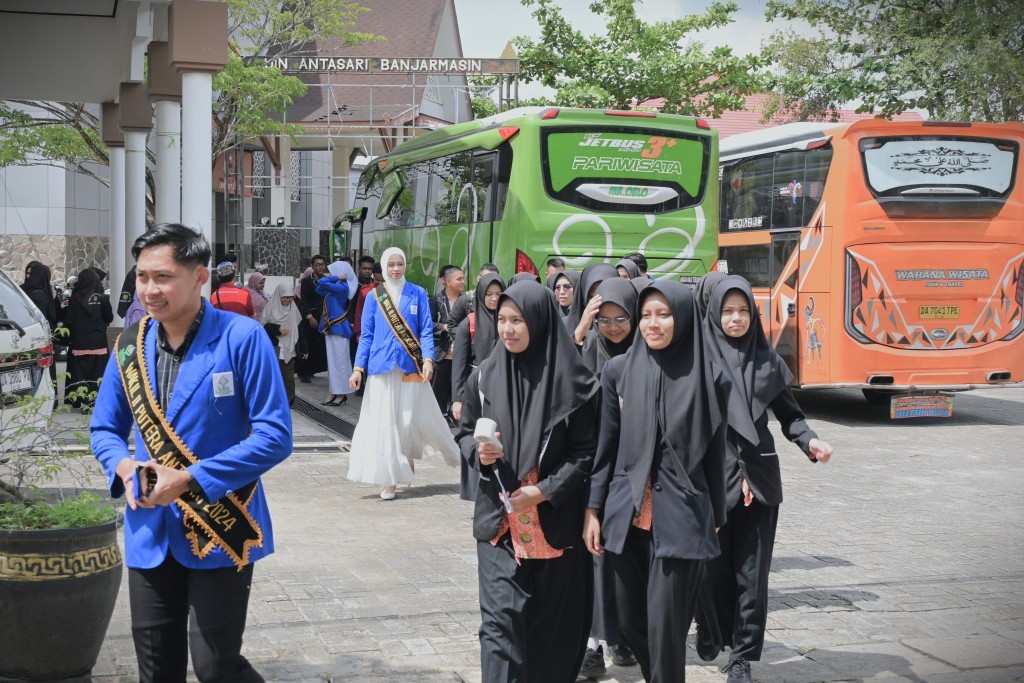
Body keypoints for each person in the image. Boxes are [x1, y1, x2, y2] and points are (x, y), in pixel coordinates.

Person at [90, 223, 291, 682]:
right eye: (142, 277)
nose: (149, 290)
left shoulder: (242, 339)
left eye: (163, 277)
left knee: (217, 666)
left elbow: (274, 435)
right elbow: (104, 428)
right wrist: (122, 466)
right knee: (157, 670)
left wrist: (192, 479)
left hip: (220, 525)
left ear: (200, 277)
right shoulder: (128, 346)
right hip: (150, 529)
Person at [454, 281, 600, 683]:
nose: (508, 329)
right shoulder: (484, 377)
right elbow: (464, 432)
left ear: (539, 320)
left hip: (554, 529)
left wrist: (543, 491)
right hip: (500, 527)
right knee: (500, 630)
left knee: (551, 638)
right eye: (501, 320)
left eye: (518, 320)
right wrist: (478, 454)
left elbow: (587, 452)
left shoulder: (576, 383)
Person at [585, 281, 728, 683]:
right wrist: (593, 509)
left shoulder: (710, 378)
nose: (653, 323)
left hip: (680, 518)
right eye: (646, 315)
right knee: (631, 623)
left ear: (681, 319)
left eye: (663, 314)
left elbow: (715, 455)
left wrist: (715, 515)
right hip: (626, 517)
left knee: (665, 629)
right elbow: (605, 447)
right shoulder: (617, 371)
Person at [697, 276, 833, 683]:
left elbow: (790, 415)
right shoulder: (697, 360)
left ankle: (741, 655)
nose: (735, 319)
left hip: (759, 479)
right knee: (710, 570)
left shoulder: (767, 361)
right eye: (728, 311)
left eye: (743, 311)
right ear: (714, 313)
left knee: (751, 575)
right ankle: (712, 628)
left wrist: (810, 441)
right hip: (712, 480)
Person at [347, 247, 459, 500]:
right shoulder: (374, 296)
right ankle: (389, 478)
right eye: (391, 265)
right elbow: (366, 335)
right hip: (381, 368)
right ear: (384, 267)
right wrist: (358, 368)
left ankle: (405, 457)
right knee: (385, 421)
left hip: (410, 367)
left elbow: (425, 332)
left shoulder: (417, 293)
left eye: (400, 264)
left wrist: (428, 359)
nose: (396, 269)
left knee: (407, 420)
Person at [577, 277, 640, 678]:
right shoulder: (587, 351)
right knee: (597, 560)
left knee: (626, 562)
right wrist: (582, 329)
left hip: (634, 473)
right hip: (592, 469)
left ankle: (620, 636)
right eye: (605, 320)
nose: (614, 327)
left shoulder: (649, 356)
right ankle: (593, 645)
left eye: (622, 319)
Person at [449, 273, 505, 501]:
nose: (493, 299)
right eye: (489, 294)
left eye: (499, 294)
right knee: (475, 437)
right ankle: (475, 490)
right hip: (475, 392)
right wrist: (458, 398)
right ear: (480, 295)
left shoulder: (508, 320)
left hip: (502, 391)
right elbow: (459, 365)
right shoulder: (468, 324)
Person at [62, 266, 114, 411]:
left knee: (80, 372)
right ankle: (94, 401)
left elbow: (69, 320)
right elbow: (109, 317)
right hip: (98, 342)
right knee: (97, 372)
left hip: (79, 342)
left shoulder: (74, 298)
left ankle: (81, 400)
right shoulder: (103, 298)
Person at [316, 260, 358, 407]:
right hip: (332, 327)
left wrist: (338, 278)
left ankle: (341, 393)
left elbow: (321, 281)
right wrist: (337, 278)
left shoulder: (343, 287)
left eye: (335, 272)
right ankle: (334, 391)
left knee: (340, 362)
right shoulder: (336, 287)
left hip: (338, 327)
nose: (332, 274)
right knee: (333, 363)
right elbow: (319, 288)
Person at [430, 265, 467, 426]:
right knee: (439, 387)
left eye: (463, 278)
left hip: (461, 352)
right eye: (459, 279)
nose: (463, 282)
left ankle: (455, 413)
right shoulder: (436, 300)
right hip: (442, 351)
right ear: (445, 281)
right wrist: (444, 327)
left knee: (457, 385)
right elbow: (426, 324)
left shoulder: (467, 300)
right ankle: (440, 414)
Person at [263, 282, 308, 406]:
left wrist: (304, 349)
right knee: (273, 376)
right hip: (274, 347)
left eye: (290, 297)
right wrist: (277, 328)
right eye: (285, 297)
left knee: (288, 377)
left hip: (290, 349)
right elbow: (263, 326)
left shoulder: (294, 310)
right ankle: (273, 401)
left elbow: (300, 329)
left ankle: (288, 401)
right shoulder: (270, 308)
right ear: (278, 296)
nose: (288, 300)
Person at [566, 263, 619, 346]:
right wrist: (581, 330)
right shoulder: (564, 326)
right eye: (591, 296)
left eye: (604, 296)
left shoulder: (626, 325)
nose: (598, 303)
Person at [297, 255, 329, 383]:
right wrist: (309, 317)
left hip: (325, 317)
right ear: (312, 266)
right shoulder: (307, 281)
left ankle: (313, 370)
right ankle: (303, 372)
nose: (320, 267)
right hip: (311, 317)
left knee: (319, 345)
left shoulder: (327, 280)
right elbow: (304, 301)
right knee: (308, 344)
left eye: (322, 264)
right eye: (317, 264)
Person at [448, 263, 500, 332]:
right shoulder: (466, 299)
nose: (490, 281)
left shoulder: (502, 300)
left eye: (494, 278)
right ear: (478, 278)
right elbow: (451, 325)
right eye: (486, 277)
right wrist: (467, 338)